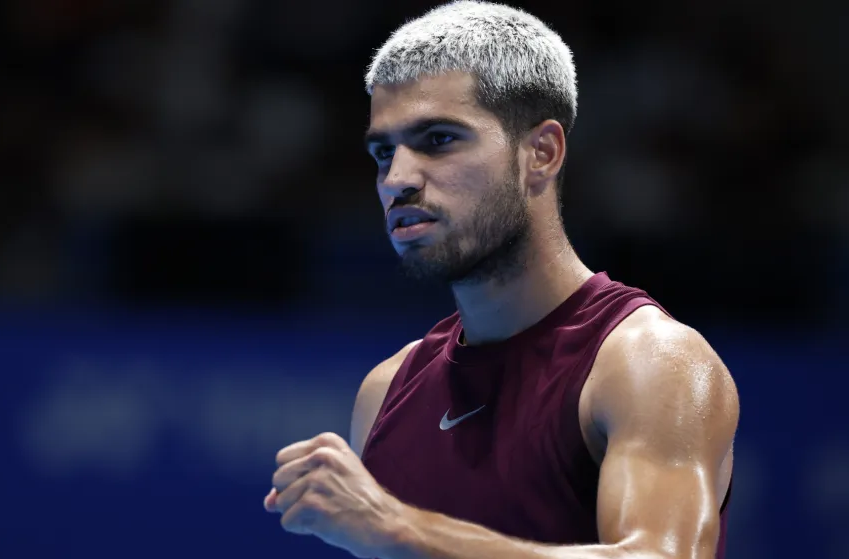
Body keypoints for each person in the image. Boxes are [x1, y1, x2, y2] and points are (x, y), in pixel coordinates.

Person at [264, 2, 740, 558]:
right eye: (383, 152)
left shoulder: (649, 362)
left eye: (439, 139)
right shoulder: (386, 391)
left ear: (541, 152)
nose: (397, 179)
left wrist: (399, 528)